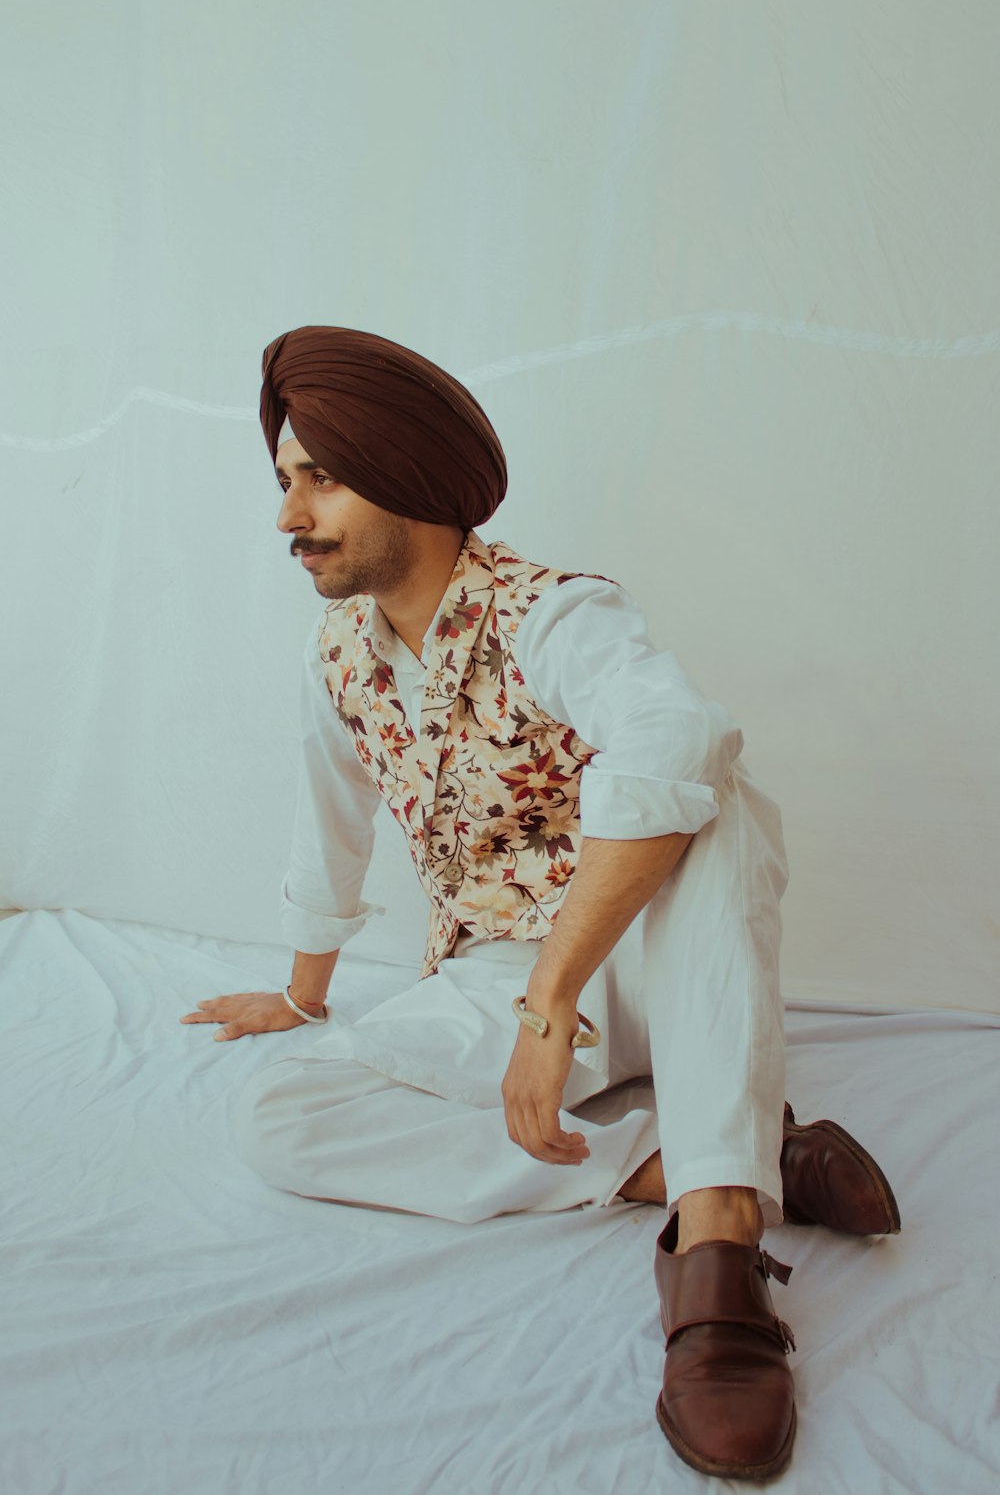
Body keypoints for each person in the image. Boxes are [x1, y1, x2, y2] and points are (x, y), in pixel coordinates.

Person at [181, 325, 900, 1481]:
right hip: (495, 974)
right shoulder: (338, 657)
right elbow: (333, 828)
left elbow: (677, 732)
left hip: (638, 961)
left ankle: (719, 1246)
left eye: (319, 479)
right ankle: (692, 1155)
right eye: (284, 481)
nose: (288, 517)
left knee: (713, 795)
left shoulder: (554, 614)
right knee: (280, 1116)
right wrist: (299, 994)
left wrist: (551, 1000)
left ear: (408, 480)